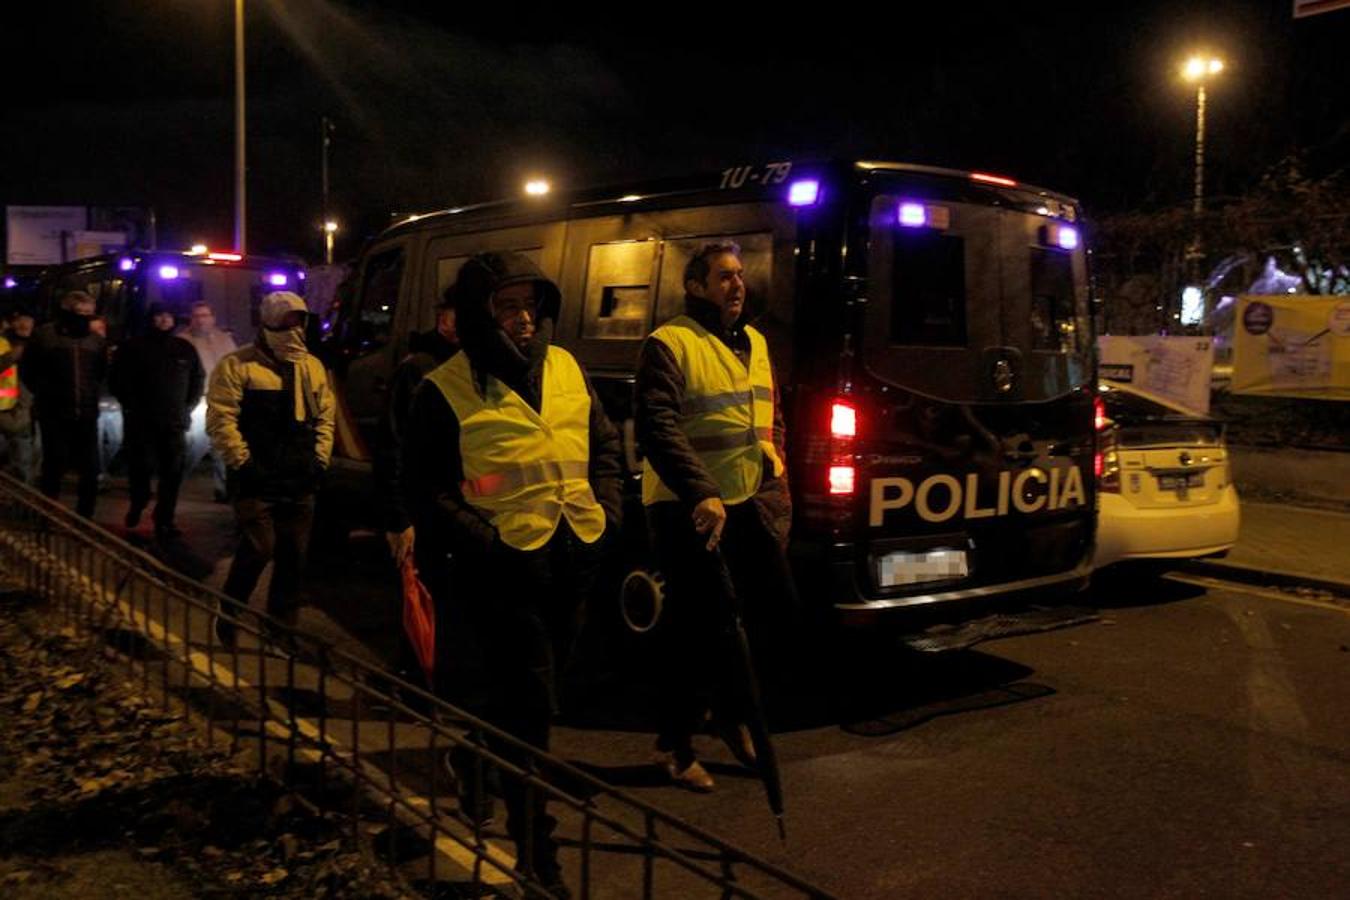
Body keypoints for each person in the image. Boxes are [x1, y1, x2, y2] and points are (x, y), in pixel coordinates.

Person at [404, 251, 622, 896]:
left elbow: (604, 446)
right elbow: (427, 491)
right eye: (507, 307)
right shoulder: (442, 388)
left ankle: (474, 758)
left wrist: (608, 514)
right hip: (501, 571)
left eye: (531, 305)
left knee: (533, 694)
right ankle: (537, 854)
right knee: (531, 710)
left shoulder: (564, 366)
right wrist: (489, 544)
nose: (525, 319)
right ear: (478, 314)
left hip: (573, 553)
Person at [635, 241, 798, 792]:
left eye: (740, 276)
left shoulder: (753, 341)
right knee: (700, 628)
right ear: (696, 286)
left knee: (773, 612)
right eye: (724, 277)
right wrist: (700, 489)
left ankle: (730, 714)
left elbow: (769, 420)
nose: (737, 285)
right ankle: (675, 747)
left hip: (747, 501)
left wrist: (776, 483)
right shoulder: (670, 343)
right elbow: (657, 425)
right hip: (686, 507)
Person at [207, 292, 335, 644]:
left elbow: (325, 416)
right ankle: (230, 610)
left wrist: (318, 461)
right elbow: (221, 418)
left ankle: (281, 628)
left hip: (299, 477)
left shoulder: (311, 366)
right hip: (256, 477)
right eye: (289, 321)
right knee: (260, 547)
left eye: (300, 321)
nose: (296, 329)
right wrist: (243, 463)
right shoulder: (238, 366)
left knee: (293, 557)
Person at [376, 290, 459, 568]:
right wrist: (399, 518)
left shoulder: (472, 365)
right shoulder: (418, 369)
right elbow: (392, 445)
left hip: (458, 510)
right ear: (443, 318)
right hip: (425, 508)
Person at [110, 303, 205, 539]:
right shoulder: (132, 348)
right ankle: (138, 501)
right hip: (140, 422)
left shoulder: (184, 349)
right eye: (159, 316)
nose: (164, 320)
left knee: (172, 473)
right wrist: (130, 406)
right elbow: (117, 380)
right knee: (140, 468)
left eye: (168, 316)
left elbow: (197, 379)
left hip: (173, 422)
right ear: (150, 319)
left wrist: (187, 407)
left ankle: (165, 519)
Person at [23, 291, 107, 516]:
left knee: (89, 469)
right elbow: (29, 371)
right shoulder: (46, 336)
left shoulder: (95, 341)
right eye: (81, 313)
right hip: (54, 412)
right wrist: (46, 396)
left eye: (89, 313)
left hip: (86, 412)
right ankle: (48, 513)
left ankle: (85, 517)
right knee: (54, 464)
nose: (86, 318)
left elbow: (99, 373)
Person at [179, 301, 237, 500]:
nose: (201, 320)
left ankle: (223, 489)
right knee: (194, 447)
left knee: (221, 446)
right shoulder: (183, 342)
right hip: (197, 402)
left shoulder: (224, 340)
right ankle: (174, 479)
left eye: (205, 315)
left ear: (213, 318)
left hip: (222, 401)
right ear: (191, 319)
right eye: (197, 316)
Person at [0, 324, 34, 483]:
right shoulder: (10, 347)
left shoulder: (8, 343)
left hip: (16, 411)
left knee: (23, 460)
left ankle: (22, 501)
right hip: (9, 411)